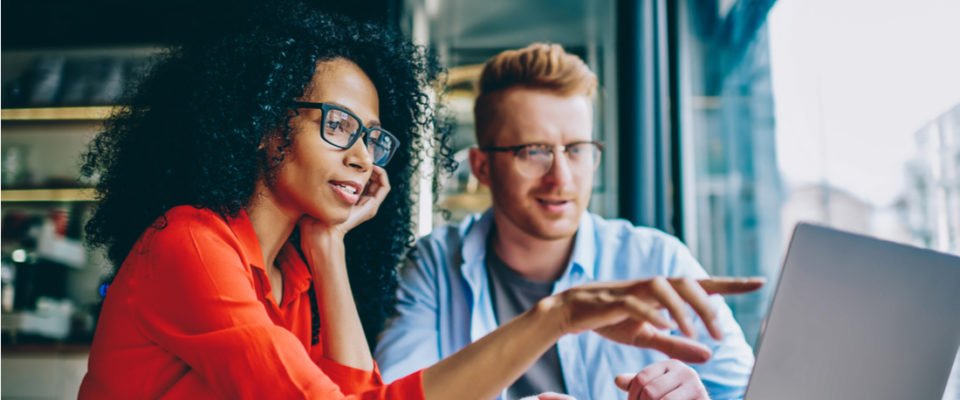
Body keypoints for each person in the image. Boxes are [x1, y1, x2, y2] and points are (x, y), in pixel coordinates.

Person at [79, 4, 761, 397]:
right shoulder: (193, 246)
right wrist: (556, 317)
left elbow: (361, 396)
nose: (360, 156)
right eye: (338, 125)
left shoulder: (292, 276)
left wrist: (328, 244)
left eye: (373, 138)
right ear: (263, 127)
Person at [374, 43, 760, 400]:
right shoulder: (435, 265)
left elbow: (754, 392)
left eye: (577, 149)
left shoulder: (657, 260)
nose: (562, 177)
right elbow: (395, 395)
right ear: (482, 167)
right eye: (533, 151)